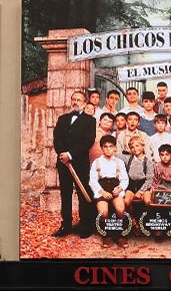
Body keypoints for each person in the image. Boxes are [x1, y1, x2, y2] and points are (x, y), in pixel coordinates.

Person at [52, 91, 97, 238]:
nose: (75, 102)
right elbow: (56, 139)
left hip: (80, 163)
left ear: (84, 103)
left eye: (79, 100)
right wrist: (62, 154)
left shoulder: (90, 121)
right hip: (63, 164)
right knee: (65, 193)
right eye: (73, 99)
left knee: (83, 193)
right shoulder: (62, 119)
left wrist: (70, 154)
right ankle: (66, 224)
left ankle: (85, 225)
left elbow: (88, 142)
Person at [88, 135, 129, 247]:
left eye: (111, 146)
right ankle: (107, 236)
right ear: (101, 148)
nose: (108, 149)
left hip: (115, 187)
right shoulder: (97, 162)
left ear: (115, 148)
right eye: (105, 147)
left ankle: (121, 236)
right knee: (103, 212)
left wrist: (120, 189)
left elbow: (124, 179)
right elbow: (92, 180)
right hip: (102, 188)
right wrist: (102, 192)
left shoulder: (119, 162)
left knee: (120, 209)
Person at [122, 136, 154, 208]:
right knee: (126, 201)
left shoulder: (148, 161)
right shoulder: (128, 159)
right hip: (131, 186)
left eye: (137, 146)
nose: (135, 149)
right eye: (132, 147)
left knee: (147, 201)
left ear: (142, 146)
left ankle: (147, 217)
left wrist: (141, 191)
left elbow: (150, 179)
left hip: (143, 186)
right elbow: (115, 155)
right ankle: (132, 217)